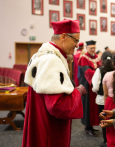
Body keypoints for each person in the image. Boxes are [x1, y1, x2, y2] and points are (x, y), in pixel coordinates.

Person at [22, 19, 87, 147]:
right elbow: (56, 105)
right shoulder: (52, 60)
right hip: (49, 128)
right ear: (63, 36)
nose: (77, 45)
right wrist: (78, 93)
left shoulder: (40, 55)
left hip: (40, 121)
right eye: (75, 40)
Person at [78, 40, 101, 137]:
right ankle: (87, 127)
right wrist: (99, 76)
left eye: (94, 48)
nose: (93, 50)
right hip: (87, 85)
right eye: (91, 48)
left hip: (95, 85)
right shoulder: (83, 58)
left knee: (94, 106)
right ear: (86, 48)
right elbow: (87, 72)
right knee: (87, 106)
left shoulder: (97, 57)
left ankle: (91, 125)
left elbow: (101, 67)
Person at [92, 51, 115, 147]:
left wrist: (96, 91)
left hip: (102, 99)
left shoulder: (99, 70)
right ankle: (114, 139)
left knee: (104, 120)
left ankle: (106, 140)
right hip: (114, 99)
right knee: (114, 120)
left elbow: (96, 86)